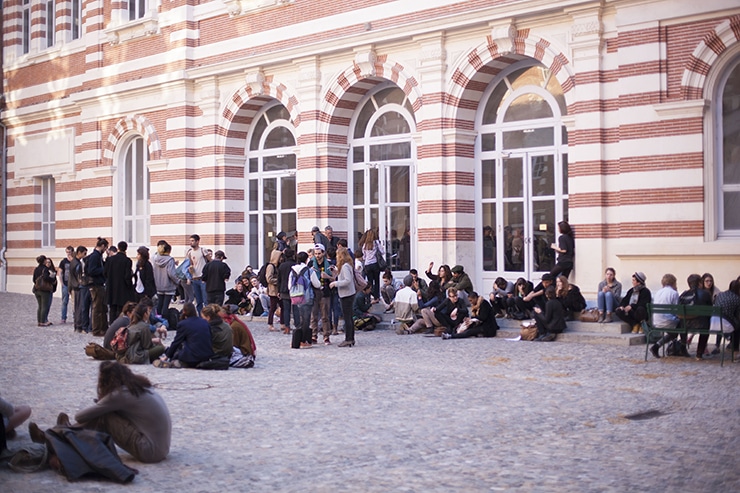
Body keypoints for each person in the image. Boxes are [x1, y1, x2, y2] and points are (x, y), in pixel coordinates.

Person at [71, 361, 171, 463]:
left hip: (149, 451)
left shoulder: (120, 394)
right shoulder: (141, 387)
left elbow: (79, 417)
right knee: (105, 412)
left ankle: (69, 433)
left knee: (105, 416)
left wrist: (102, 405)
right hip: (162, 449)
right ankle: (72, 434)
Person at [155, 302, 214, 368]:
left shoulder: (183, 324)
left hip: (192, 356)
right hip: (206, 355)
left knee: (177, 354)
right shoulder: (204, 322)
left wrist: (167, 356)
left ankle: (175, 363)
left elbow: (176, 342)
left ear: (184, 312)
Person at [290, 251, 321, 348]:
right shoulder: (309, 270)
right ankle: (303, 341)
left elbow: (289, 285)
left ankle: (296, 340)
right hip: (306, 297)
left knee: (297, 319)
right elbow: (317, 284)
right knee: (306, 319)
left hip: (295, 297)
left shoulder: (292, 271)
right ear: (306, 259)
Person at [648, 274, 680, 359]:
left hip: (656, 321)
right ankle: (680, 347)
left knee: (673, 331)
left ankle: (657, 346)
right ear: (673, 283)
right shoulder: (674, 293)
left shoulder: (658, 292)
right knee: (681, 325)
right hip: (668, 322)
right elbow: (677, 310)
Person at [329, 248, 357, 347]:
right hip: (348, 293)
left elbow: (347, 280)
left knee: (347, 317)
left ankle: (349, 338)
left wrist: (335, 283)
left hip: (347, 294)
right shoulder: (347, 265)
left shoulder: (345, 266)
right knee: (348, 317)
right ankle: (350, 338)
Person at [105, 241, 136, 326]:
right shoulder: (127, 261)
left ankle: (112, 326)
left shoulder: (110, 260)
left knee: (112, 309)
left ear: (118, 248)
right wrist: (130, 286)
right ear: (126, 249)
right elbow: (127, 276)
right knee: (121, 309)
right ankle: (119, 326)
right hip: (123, 288)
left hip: (111, 287)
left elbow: (105, 273)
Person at [310, 243, 334, 344]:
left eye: (319, 253)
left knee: (325, 316)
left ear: (323, 253)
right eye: (316, 253)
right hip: (315, 292)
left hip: (325, 292)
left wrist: (327, 277)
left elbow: (334, 278)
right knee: (314, 315)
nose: (317, 255)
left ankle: (326, 336)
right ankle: (313, 335)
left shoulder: (329, 264)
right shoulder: (310, 264)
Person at [86, 237, 109, 337]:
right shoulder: (95, 256)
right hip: (95, 285)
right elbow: (92, 270)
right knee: (97, 308)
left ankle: (103, 328)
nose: (106, 250)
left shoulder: (98, 256)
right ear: (103, 246)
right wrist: (103, 270)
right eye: (106, 248)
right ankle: (96, 329)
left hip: (99, 284)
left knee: (102, 307)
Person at [152, 241, 180, 318]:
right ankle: (165, 320)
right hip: (168, 285)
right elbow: (171, 273)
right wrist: (177, 281)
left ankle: (158, 318)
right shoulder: (170, 260)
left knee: (159, 304)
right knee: (166, 305)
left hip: (158, 285)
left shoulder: (155, 259)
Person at [714, 280, 740, 353]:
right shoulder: (737, 298)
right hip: (724, 325)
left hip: (713, 322)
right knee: (738, 327)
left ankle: (718, 345)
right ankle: (735, 349)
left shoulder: (721, 295)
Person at [186, 234, 208, 315]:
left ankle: (207, 316)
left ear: (197, 241)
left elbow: (209, 261)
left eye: (192, 241)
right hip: (194, 278)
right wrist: (190, 270)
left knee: (205, 300)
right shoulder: (190, 252)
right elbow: (190, 264)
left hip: (203, 278)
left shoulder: (203, 250)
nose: (191, 243)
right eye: (190, 241)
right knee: (198, 301)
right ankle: (200, 316)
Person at [32, 255, 56, 327]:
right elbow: (46, 278)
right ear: (44, 261)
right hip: (44, 290)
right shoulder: (45, 269)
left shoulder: (36, 269)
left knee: (40, 306)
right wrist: (52, 280)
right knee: (44, 306)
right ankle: (43, 321)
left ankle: (39, 321)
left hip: (37, 289)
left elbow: (33, 279)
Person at [360, 229, 384, 301]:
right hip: (375, 263)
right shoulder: (376, 243)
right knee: (376, 281)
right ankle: (376, 297)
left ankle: (368, 297)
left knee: (369, 281)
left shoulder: (365, 245)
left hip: (367, 264)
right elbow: (382, 252)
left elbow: (364, 256)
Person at [277, 248, 297, 334]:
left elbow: (279, 279)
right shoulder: (295, 265)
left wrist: (278, 290)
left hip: (284, 289)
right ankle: (297, 326)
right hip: (294, 289)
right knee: (295, 309)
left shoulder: (282, 266)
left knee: (286, 309)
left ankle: (287, 327)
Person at [72, 245, 91, 333]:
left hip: (75, 286)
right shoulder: (78, 263)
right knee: (80, 307)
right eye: (84, 253)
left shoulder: (74, 262)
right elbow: (78, 275)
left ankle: (78, 326)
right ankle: (80, 326)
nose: (85, 255)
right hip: (78, 287)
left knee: (78, 307)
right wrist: (80, 281)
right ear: (79, 252)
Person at [266, 248, 283, 332]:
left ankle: (282, 323)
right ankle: (270, 324)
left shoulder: (277, 266)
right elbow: (269, 279)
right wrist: (278, 281)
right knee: (273, 308)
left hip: (278, 290)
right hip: (273, 290)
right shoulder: (270, 266)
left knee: (282, 306)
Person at [57, 246, 75, 324]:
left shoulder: (75, 261)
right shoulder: (63, 262)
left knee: (74, 302)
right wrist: (62, 283)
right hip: (65, 283)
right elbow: (60, 272)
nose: (68, 254)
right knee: (64, 301)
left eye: (69, 252)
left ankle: (75, 317)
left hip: (74, 284)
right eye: (67, 252)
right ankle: (63, 317)